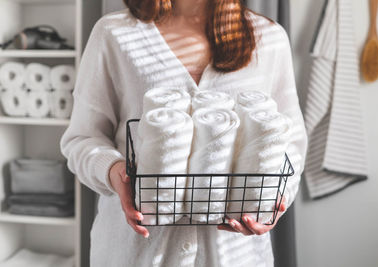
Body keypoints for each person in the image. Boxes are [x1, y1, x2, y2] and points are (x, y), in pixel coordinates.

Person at [60, 0, 307, 266]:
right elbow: (81, 139)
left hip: (237, 256)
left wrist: (272, 201)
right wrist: (115, 172)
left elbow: (291, 142)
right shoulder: (114, 33)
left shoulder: (269, 38)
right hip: (134, 253)